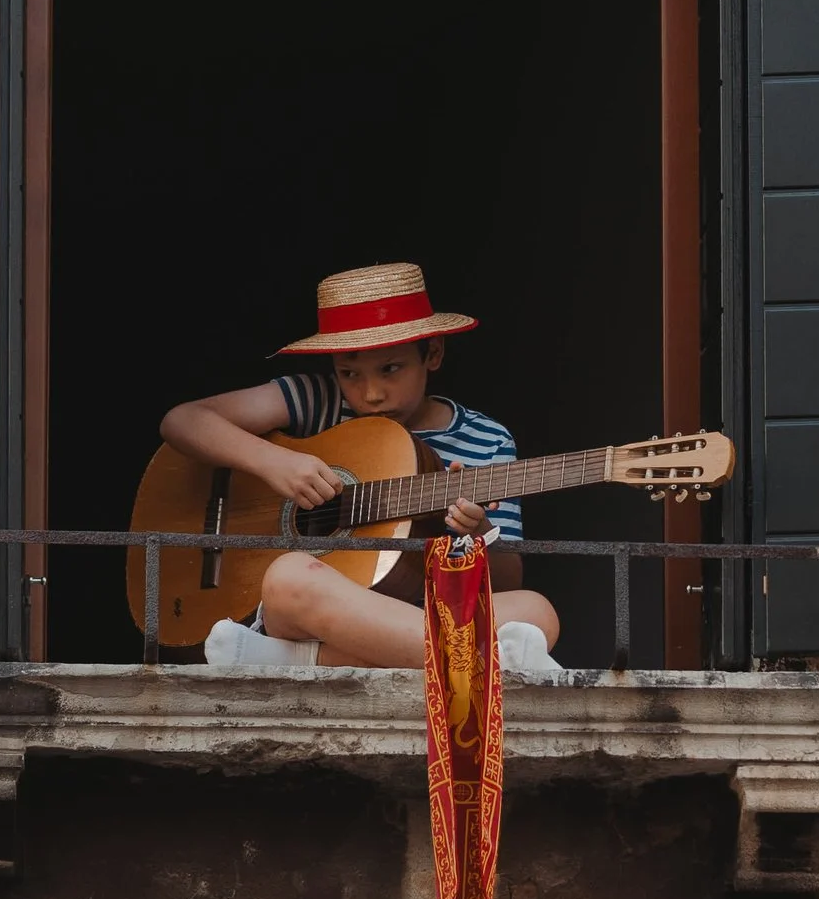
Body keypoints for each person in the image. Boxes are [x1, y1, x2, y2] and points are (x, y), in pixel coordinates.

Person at [158, 261, 565, 676]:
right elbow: (183, 421)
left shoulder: (487, 439)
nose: (370, 393)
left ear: (434, 353)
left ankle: (295, 660)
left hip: (421, 609)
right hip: (313, 612)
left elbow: (508, 582)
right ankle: (479, 657)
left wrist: (478, 533)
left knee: (536, 612)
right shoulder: (318, 401)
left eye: (391, 369)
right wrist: (272, 462)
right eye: (349, 373)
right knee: (288, 576)